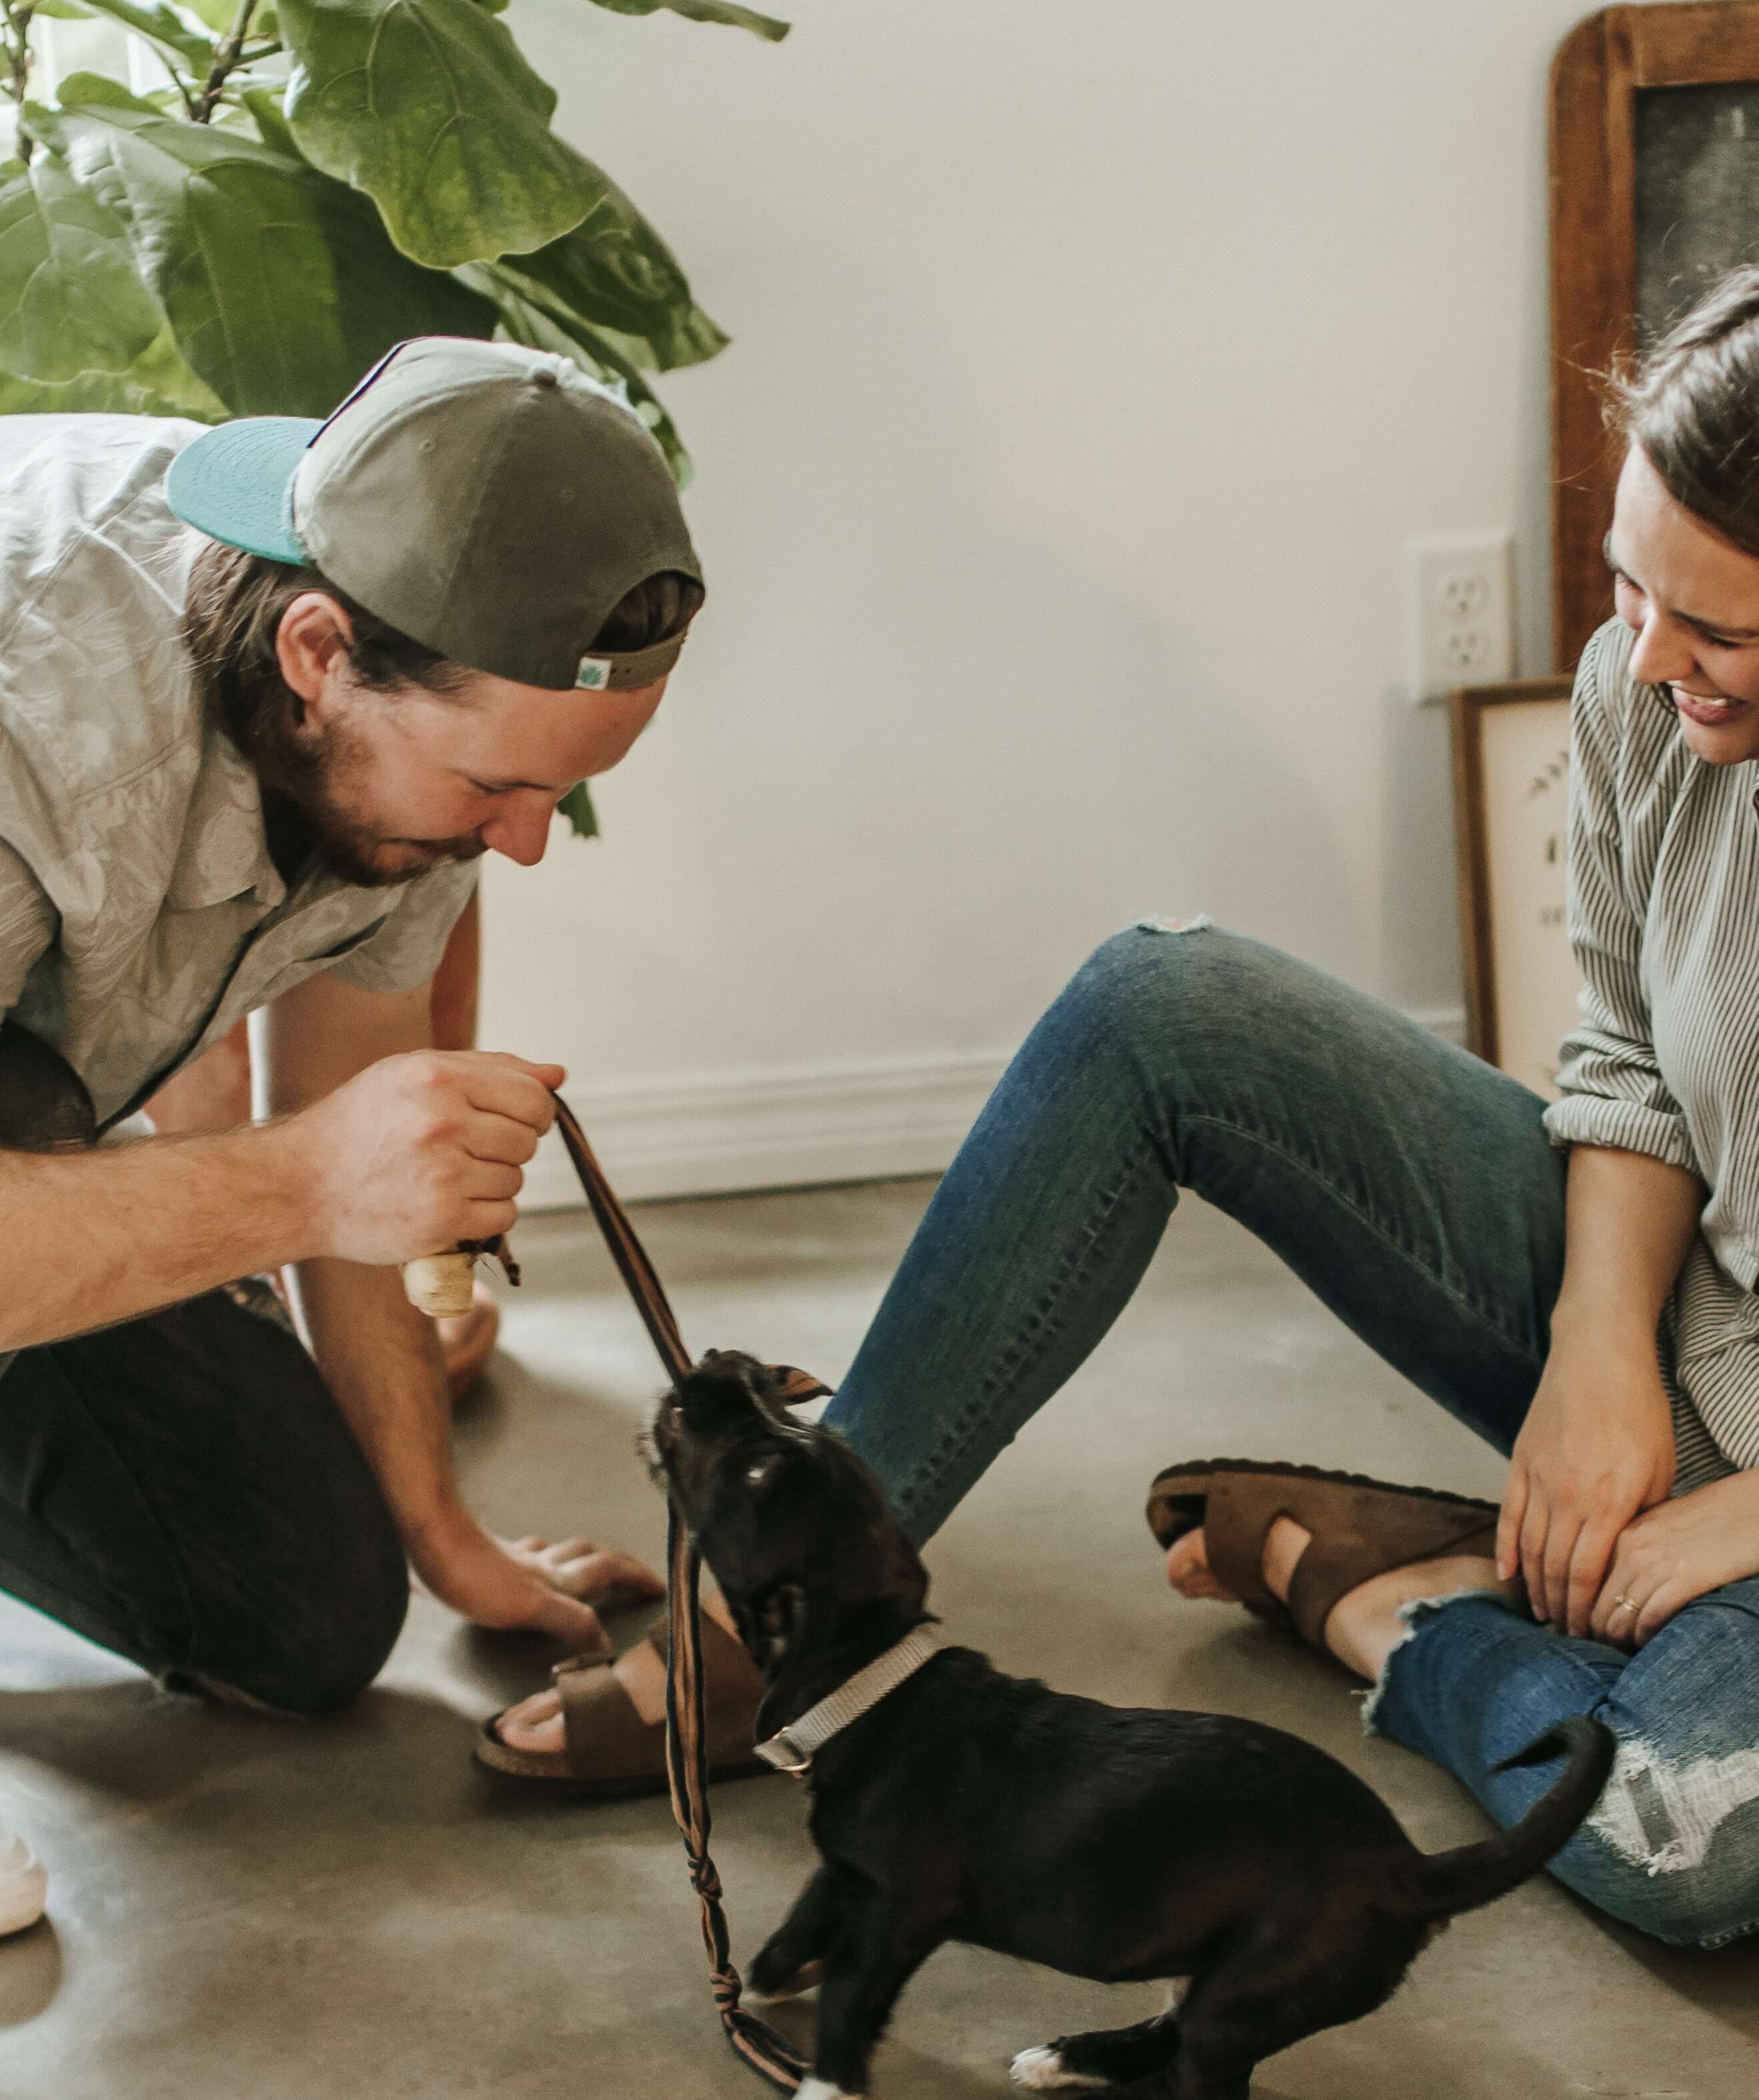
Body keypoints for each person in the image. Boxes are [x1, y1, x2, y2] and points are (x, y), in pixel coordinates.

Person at [494, 266, 1759, 1955]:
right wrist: (1598, 1345)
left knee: (1683, 1851)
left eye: (1717, 629)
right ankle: (782, 1604)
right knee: (1162, 1008)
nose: (1644, 653)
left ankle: (1389, 1597)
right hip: (1683, 1317)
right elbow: (1621, 1057)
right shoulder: (1641, 687)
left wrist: (1734, 1515)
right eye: (1625, 583)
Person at [0, 335, 704, 1933]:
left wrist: (441, 1533)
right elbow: (325, 1164)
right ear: (318, 650)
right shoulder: (29, 710)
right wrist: (302, 1182)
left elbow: (350, 1105)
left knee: (304, 1610)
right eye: (495, 789)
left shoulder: (412, 694)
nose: (519, 847)